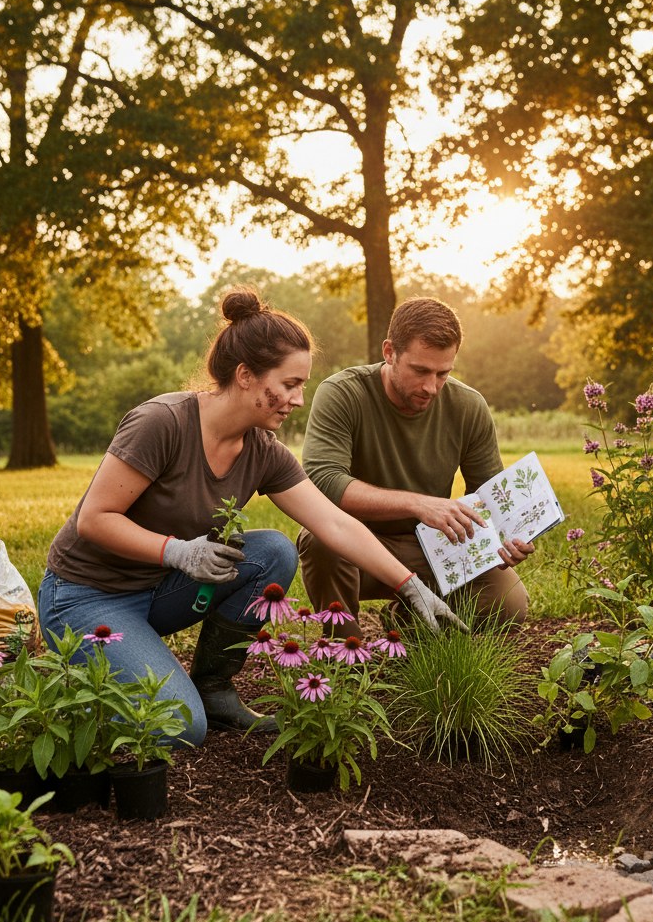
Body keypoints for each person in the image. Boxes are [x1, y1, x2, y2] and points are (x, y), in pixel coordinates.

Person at [37, 286, 464, 747]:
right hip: (86, 595)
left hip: (157, 591)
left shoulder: (263, 451)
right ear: (245, 375)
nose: (298, 399)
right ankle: (82, 685)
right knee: (178, 729)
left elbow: (335, 522)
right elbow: (95, 519)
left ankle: (213, 687)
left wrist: (409, 585)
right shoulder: (162, 422)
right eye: (289, 384)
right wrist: (178, 551)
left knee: (273, 552)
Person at [298, 296, 533, 638]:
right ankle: (344, 650)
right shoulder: (342, 393)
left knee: (508, 603)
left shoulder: (468, 406)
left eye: (443, 373)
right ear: (389, 352)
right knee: (320, 539)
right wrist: (418, 503)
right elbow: (323, 481)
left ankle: (408, 623)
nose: (431, 387)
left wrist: (504, 538)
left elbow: (488, 496)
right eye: (420, 370)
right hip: (358, 544)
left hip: (435, 547)